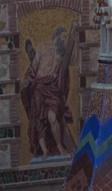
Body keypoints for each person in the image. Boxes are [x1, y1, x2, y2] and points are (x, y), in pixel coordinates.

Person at [20, 26, 76, 159]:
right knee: (38, 120)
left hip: (52, 90)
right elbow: (33, 68)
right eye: (63, 37)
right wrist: (27, 81)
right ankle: (44, 150)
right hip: (39, 88)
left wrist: (74, 33)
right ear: (56, 36)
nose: (64, 40)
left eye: (65, 37)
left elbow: (70, 64)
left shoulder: (62, 55)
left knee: (53, 117)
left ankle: (60, 146)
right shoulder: (43, 48)